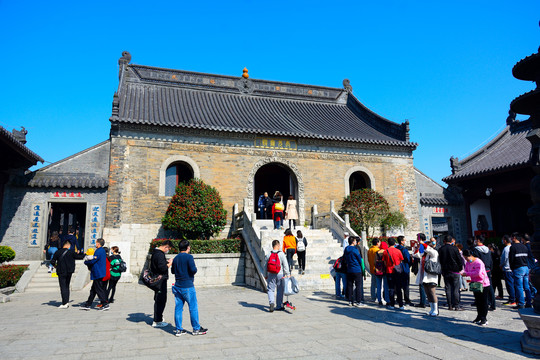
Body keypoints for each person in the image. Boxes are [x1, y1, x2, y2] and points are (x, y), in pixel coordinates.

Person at [171, 240, 208, 336]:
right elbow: (193, 270)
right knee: (193, 307)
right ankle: (196, 328)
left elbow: (172, 271)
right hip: (187, 286)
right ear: (188, 248)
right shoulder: (189, 257)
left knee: (178, 308)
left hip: (177, 286)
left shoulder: (175, 258)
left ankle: (179, 330)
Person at [50, 239, 84, 308]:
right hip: (69, 271)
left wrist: (56, 266)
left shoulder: (58, 252)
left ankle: (64, 303)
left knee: (63, 287)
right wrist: (86, 254)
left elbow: (52, 261)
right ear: (68, 245)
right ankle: (66, 301)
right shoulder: (71, 252)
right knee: (67, 286)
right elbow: (79, 257)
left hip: (61, 271)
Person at [462, 249, 490, 326]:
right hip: (475, 284)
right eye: (465, 258)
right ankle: (479, 316)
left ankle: (484, 318)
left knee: (483, 302)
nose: (467, 260)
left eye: (467, 258)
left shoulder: (479, 262)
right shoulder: (468, 263)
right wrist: (465, 274)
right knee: (477, 301)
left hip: (483, 284)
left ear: (471, 256)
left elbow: (479, 273)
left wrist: (467, 273)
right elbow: (466, 270)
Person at [80, 238, 109, 311]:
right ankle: (88, 304)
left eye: (96, 243)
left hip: (97, 272)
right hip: (99, 272)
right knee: (93, 290)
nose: (95, 244)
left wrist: (86, 262)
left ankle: (105, 303)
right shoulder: (101, 250)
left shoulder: (99, 251)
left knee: (99, 289)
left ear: (98, 243)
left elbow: (93, 261)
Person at [150, 240, 173, 327]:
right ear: (166, 247)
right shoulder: (159, 254)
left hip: (157, 280)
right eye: (168, 249)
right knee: (161, 300)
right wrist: (169, 263)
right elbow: (162, 268)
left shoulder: (156, 253)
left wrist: (165, 262)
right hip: (160, 281)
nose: (168, 250)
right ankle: (157, 320)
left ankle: (158, 317)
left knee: (158, 299)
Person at [414, 238, 440, 316]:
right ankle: (431, 309)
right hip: (424, 276)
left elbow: (430, 250)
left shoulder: (434, 252)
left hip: (431, 276)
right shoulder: (425, 255)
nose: (426, 247)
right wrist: (417, 248)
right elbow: (416, 255)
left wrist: (423, 243)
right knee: (428, 293)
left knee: (432, 292)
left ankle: (436, 309)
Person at [438, 235, 464, 311]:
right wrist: (460, 268)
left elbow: (440, 260)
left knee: (448, 288)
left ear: (444, 241)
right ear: (451, 241)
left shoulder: (441, 249)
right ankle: (456, 305)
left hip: (445, 271)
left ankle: (450, 305)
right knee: (456, 289)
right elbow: (459, 260)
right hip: (455, 270)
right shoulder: (454, 248)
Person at [472, 235, 496, 311]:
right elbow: (491, 261)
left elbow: (475, 262)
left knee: (479, 287)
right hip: (488, 270)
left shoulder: (476, 250)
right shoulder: (488, 250)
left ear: (478, 240)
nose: (475, 241)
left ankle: (482, 303)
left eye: (475, 239)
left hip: (480, 271)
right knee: (490, 287)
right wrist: (490, 270)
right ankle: (493, 304)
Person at [265, 239, 290, 311]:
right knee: (280, 290)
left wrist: (265, 274)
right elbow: (285, 265)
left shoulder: (269, 254)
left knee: (270, 289)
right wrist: (287, 274)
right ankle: (279, 305)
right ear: (278, 246)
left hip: (271, 274)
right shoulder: (281, 254)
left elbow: (265, 265)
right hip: (280, 274)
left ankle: (271, 303)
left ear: (272, 246)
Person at [509, 233, 532, 309]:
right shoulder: (524, 247)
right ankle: (528, 302)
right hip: (525, 267)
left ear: (515, 238)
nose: (511, 239)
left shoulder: (513, 247)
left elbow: (511, 259)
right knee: (526, 286)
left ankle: (521, 303)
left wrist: (512, 268)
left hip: (518, 268)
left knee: (519, 287)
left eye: (512, 237)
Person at [382, 237, 404, 310]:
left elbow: (384, 262)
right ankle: (401, 304)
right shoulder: (398, 251)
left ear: (388, 243)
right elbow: (401, 260)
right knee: (398, 288)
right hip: (397, 271)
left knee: (391, 288)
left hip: (389, 271)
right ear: (395, 243)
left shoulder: (385, 251)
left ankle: (392, 304)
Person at [344, 236, 366, 307]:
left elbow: (345, 258)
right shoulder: (355, 249)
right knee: (358, 286)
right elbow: (360, 259)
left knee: (350, 285)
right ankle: (358, 301)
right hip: (356, 269)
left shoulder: (346, 249)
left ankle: (350, 301)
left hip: (349, 269)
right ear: (353, 242)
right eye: (355, 241)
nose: (356, 242)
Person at [396, 235, 413, 306]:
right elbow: (408, 259)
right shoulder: (404, 249)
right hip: (404, 268)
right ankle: (407, 300)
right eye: (404, 240)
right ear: (402, 242)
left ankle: (399, 299)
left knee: (398, 285)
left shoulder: (396, 249)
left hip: (397, 268)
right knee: (405, 286)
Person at [500, 235, 516, 306]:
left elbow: (504, 259)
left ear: (505, 240)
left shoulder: (506, 249)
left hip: (507, 268)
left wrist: (501, 265)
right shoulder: (513, 247)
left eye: (503, 239)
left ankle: (512, 299)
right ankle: (514, 298)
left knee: (509, 285)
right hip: (513, 268)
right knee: (513, 284)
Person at [368, 238, 382, 303]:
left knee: (373, 284)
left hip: (371, 268)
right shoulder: (377, 250)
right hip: (377, 269)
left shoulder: (370, 250)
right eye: (379, 242)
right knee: (378, 284)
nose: (380, 243)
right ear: (377, 243)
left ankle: (373, 297)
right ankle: (378, 297)